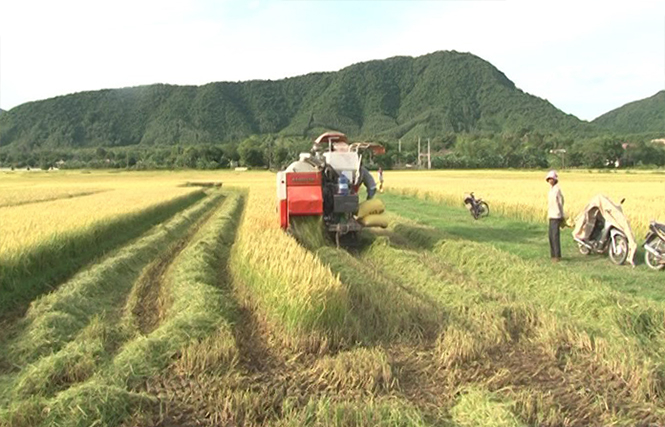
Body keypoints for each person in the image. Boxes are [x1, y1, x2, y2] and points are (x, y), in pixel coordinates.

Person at [546, 170, 564, 262]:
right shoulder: (551, 190)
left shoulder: (557, 190)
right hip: (551, 215)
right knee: (550, 236)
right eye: (549, 179)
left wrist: (562, 215)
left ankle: (557, 256)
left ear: (555, 180)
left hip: (556, 215)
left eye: (551, 179)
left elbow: (561, 203)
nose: (550, 180)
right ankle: (553, 255)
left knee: (555, 236)